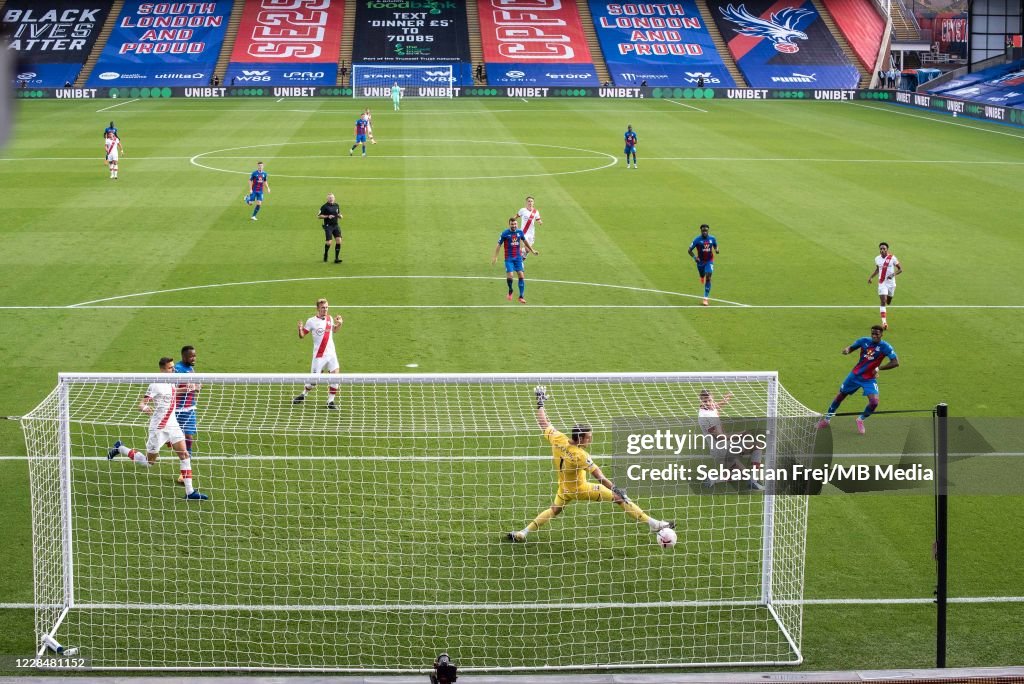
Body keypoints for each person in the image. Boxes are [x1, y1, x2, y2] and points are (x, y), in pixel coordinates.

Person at [506, 386, 674, 542]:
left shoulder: (558, 438)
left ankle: (523, 533)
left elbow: (543, 423)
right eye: (588, 437)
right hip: (581, 489)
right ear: (580, 438)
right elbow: (600, 477)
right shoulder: (580, 455)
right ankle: (654, 524)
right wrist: (616, 489)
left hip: (563, 488)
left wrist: (540, 402)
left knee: (554, 510)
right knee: (618, 498)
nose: (590, 440)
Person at [107, 357, 209, 500]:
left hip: (173, 425)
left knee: (184, 455)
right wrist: (145, 407)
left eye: (173, 367)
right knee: (148, 463)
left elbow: (174, 392)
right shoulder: (155, 384)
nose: (173, 370)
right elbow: (142, 403)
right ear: (162, 369)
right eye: (170, 368)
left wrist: (192, 388)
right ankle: (120, 448)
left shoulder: (172, 380)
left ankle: (190, 492)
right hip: (159, 428)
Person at [817, 325, 899, 434]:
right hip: (855, 375)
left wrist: (879, 368)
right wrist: (847, 350)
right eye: (872, 333)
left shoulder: (886, 347)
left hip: (869, 379)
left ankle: (860, 419)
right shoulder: (864, 340)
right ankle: (827, 419)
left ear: (881, 335)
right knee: (840, 396)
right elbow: (851, 348)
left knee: (874, 402)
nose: (874, 336)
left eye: (877, 334)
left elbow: (895, 362)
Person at [697, 390, 763, 491]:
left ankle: (714, 479)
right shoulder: (707, 417)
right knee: (757, 446)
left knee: (740, 474)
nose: (709, 403)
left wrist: (725, 401)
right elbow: (720, 437)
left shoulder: (706, 408)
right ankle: (753, 482)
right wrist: (741, 434)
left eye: (710, 400)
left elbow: (715, 406)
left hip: (721, 448)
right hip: (723, 449)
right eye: (706, 401)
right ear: (701, 401)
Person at [293, 298, 343, 409]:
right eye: (323, 308)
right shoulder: (311, 321)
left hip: (331, 355)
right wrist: (299, 328)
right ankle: (303, 394)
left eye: (326, 307)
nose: (325, 309)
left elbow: (334, 330)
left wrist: (340, 324)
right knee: (313, 382)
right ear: (317, 308)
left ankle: (330, 402)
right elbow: (302, 335)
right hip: (319, 356)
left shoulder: (330, 318)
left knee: (335, 377)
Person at [491, 216, 537, 303]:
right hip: (509, 258)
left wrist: (532, 250)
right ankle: (510, 290)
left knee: (521, 275)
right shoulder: (504, 233)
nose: (514, 225)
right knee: (511, 276)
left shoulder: (520, 232)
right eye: (512, 224)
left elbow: (525, 241)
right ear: (509, 224)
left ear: (517, 224)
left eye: (515, 224)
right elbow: (498, 245)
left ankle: (521, 296)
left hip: (518, 258)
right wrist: (495, 257)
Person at [867, 242, 902, 329]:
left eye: (884, 249)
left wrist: (893, 275)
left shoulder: (892, 258)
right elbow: (877, 269)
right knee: (883, 301)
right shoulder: (877, 259)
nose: (882, 250)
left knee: (888, 301)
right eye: (881, 249)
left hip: (891, 283)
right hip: (882, 283)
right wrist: (871, 277)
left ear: (887, 250)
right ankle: (884, 323)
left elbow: (900, 269)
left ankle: (889, 299)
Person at [687, 223, 718, 306]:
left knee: (708, 276)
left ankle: (705, 298)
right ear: (701, 231)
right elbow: (689, 250)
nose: (705, 232)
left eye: (706, 230)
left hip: (709, 261)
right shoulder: (697, 240)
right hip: (700, 262)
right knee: (702, 274)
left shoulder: (712, 238)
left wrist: (716, 249)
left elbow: (715, 245)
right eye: (703, 230)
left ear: (708, 231)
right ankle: (701, 276)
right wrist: (694, 258)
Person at [318, 192, 343, 263]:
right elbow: (319, 216)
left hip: (336, 225)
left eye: (332, 197)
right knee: (329, 243)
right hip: (328, 226)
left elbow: (338, 213)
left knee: (339, 241)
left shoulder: (336, 205)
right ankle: (326, 254)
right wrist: (327, 216)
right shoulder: (324, 206)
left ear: (334, 198)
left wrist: (340, 216)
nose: (331, 199)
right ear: (327, 199)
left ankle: (336, 258)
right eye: (330, 198)